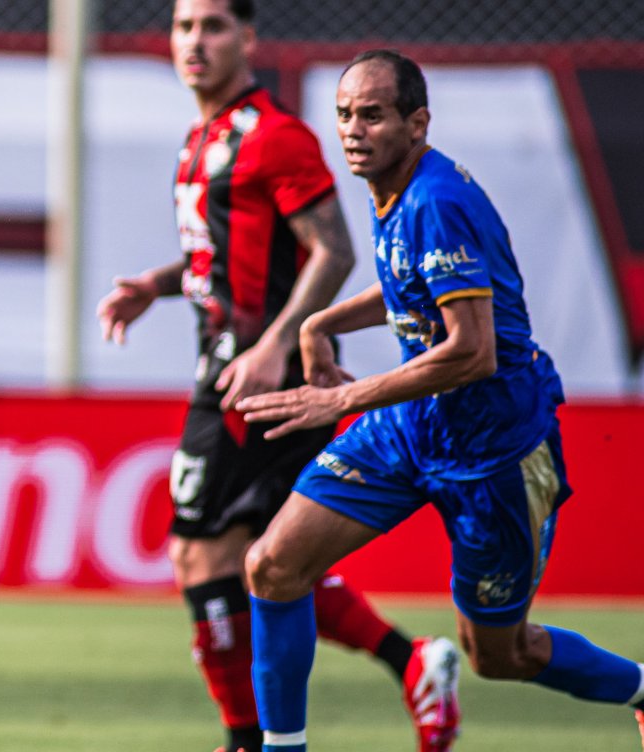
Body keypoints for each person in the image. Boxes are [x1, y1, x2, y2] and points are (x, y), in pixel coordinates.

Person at [237, 49, 644, 752]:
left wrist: (345, 399)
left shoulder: (436, 201)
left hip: (496, 453)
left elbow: (471, 352)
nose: (353, 130)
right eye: (344, 115)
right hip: (410, 428)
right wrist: (322, 322)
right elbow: (409, 284)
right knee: (273, 566)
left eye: (372, 115)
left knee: (500, 655)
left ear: (417, 123)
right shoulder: (396, 188)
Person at [95, 3, 459, 751]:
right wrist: (156, 286)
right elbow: (221, 256)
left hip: (257, 373)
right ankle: (410, 661)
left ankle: (245, 739)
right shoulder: (203, 140)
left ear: (249, 39)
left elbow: (333, 250)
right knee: (267, 559)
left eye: (214, 26)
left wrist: (274, 345)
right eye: (184, 26)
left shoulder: (275, 136)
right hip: (239, 361)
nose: (196, 41)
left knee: (201, 554)